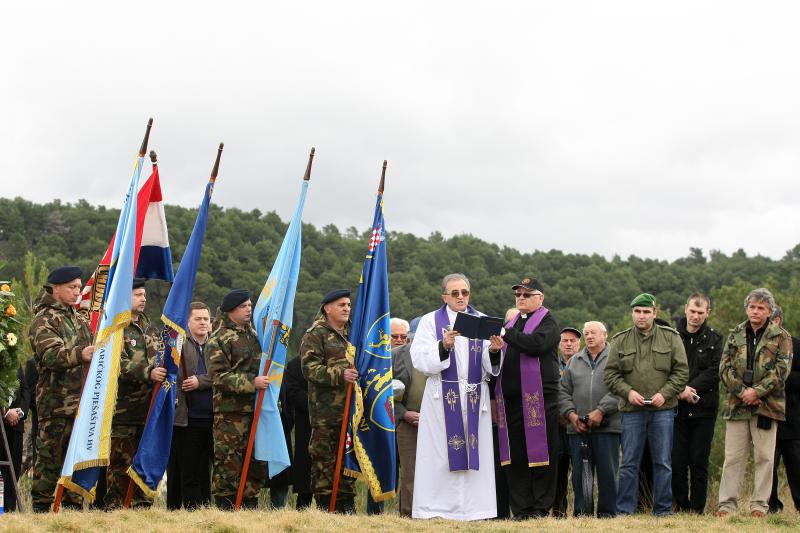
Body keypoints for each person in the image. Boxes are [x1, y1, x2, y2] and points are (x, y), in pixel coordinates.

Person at [410, 273, 503, 520]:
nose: (461, 297)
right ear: (444, 297)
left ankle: (474, 509)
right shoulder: (430, 321)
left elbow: (489, 365)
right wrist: (443, 346)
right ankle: (436, 508)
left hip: (474, 395)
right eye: (455, 293)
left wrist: (494, 351)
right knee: (440, 455)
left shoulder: (482, 321)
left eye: (465, 292)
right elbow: (419, 357)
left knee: (475, 452)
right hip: (442, 396)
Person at [604, 293, 688, 517]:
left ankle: (662, 510)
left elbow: (681, 372)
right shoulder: (620, 340)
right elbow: (610, 375)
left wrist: (665, 394)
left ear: (654, 313)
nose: (642, 316)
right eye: (637, 312)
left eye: (646, 312)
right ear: (632, 313)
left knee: (663, 462)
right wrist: (628, 392)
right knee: (629, 463)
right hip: (632, 411)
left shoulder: (671, 338)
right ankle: (624, 511)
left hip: (663, 410)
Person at [717, 288, 793, 518]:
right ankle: (726, 506)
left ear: (770, 311)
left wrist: (757, 392)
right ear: (747, 309)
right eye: (752, 307)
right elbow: (724, 368)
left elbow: (781, 371)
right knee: (733, 458)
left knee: (765, 458)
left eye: (761, 308)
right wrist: (743, 392)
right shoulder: (735, 334)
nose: (755, 311)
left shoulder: (781, 336)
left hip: (767, 406)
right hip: (737, 405)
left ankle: (759, 505)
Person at [29, 266, 94, 512]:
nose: (77, 292)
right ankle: (41, 512)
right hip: (56, 404)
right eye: (72, 287)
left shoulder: (78, 318)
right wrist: (81, 354)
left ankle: (72, 513)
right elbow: (49, 356)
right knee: (49, 463)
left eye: (79, 287)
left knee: (76, 463)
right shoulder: (44, 319)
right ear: (55, 288)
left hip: (82, 403)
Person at [495, 277, 560, 519]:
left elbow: (536, 345)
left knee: (541, 454)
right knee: (517, 456)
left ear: (540, 298)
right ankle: (521, 509)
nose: (521, 298)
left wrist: (506, 333)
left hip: (539, 399)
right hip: (511, 401)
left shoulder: (548, 322)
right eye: (518, 295)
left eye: (526, 294)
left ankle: (540, 507)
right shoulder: (513, 322)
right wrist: (494, 349)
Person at [104, 278, 163, 508]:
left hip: (149, 410)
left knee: (144, 462)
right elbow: (116, 364)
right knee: (120, 464)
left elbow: (161, 361)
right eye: (138, 294)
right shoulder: (116, 328)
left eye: (144, 295)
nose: (143, 299)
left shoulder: (151, 329)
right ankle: (116, 507)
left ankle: (141, 507)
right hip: (123, 410)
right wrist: (148, 372)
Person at [207, 289, 268, 510]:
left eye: (250, 305)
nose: (249, 309)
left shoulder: (255, 336)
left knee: (255, 462)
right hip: (229, 414)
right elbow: (218, 377)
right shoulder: (219, 338)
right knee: (228, 462)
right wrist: (253, 382)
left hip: (256, 409)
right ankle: (226, 507)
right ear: (231, 310)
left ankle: (250, 505)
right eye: (243, 306)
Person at [300, 288, 359, 513]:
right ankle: (326, 510)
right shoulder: (316, 334)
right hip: (326, 414)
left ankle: (347, 507)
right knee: (324, 463)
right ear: (327, 309)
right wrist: (340, 374)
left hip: (352, 411)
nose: (347, 308)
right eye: (341, 305)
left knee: (348, 461)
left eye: (348, 305)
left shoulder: (355, 332)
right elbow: (309, 369)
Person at [559, 321, 620, 517]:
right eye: (586, 333)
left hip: (608, 427)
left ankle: (607, 514)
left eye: (594, 333)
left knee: (608, 473)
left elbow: (621, 388)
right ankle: (582, 513)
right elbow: (562, 392)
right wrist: (571, 415)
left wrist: (601, 410)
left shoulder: (616, 358)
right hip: (578, 428)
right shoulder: (574, 361)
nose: (589, 336)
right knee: (580, 474)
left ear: (605, 335)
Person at [672, 293, 723, 514]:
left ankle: (697, 509)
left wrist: (690, 389)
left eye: (700, 312)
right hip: (676, 408)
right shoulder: (671, 336)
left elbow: (716, 370)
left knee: (699, 461)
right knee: (677, 461)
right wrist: (679, 390)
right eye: (692, 311)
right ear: (686, 308)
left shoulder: (715, 339)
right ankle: (681, 506)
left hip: (704, 409)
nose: (695, 316)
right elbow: (664, 367)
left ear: (707, 313)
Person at [166, 301, 213, 510]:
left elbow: (223, 375)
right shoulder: (179, 345)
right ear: (188, 322)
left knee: (206, 469)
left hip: (213, 418)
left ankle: (205, 509)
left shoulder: (217, 345)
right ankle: (187, 510)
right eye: (198, 319)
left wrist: (200, 381)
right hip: (186, 417)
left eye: (206, 319)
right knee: (186, 468)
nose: (203, 323)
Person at [769, 305, 800, 513]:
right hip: (767, 414)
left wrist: (776, 380)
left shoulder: (796, 345)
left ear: (777, 320)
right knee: (768, 465)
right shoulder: (759, 346)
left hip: (793, 416)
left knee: (796, 465)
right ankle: (771, 507)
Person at [391, 317, 421, 517]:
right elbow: (383, 390)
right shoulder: (395, 355)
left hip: (436, 422)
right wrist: (404, 413)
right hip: (406, 422)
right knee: (410, 473)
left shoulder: (441, 354)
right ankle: (408, 516)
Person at [553, 326, 581, 518]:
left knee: (580, 470)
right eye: (565, 341)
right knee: (559, 471)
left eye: (573, 341)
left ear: (579, 344)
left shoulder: (584, 363)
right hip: (557, 425)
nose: (568, 344)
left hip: (578, 424)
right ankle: (558, 512)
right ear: (559, 344)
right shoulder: (551, 364)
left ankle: (582, 510)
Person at [1, 366, 31, 512]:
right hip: (1, 422)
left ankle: (9, 510)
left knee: (14, 468)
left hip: (16, 426)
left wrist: (21, 412)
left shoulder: (14, 362)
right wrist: (5, 412)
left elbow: (25, 390)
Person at [285, 355, 312, 510]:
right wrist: (316, 405)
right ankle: (302, 511)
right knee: (305, 473)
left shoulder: (332, 361)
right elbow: (292, 392)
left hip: (333, 421)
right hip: (306, 424)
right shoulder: (295, 364)